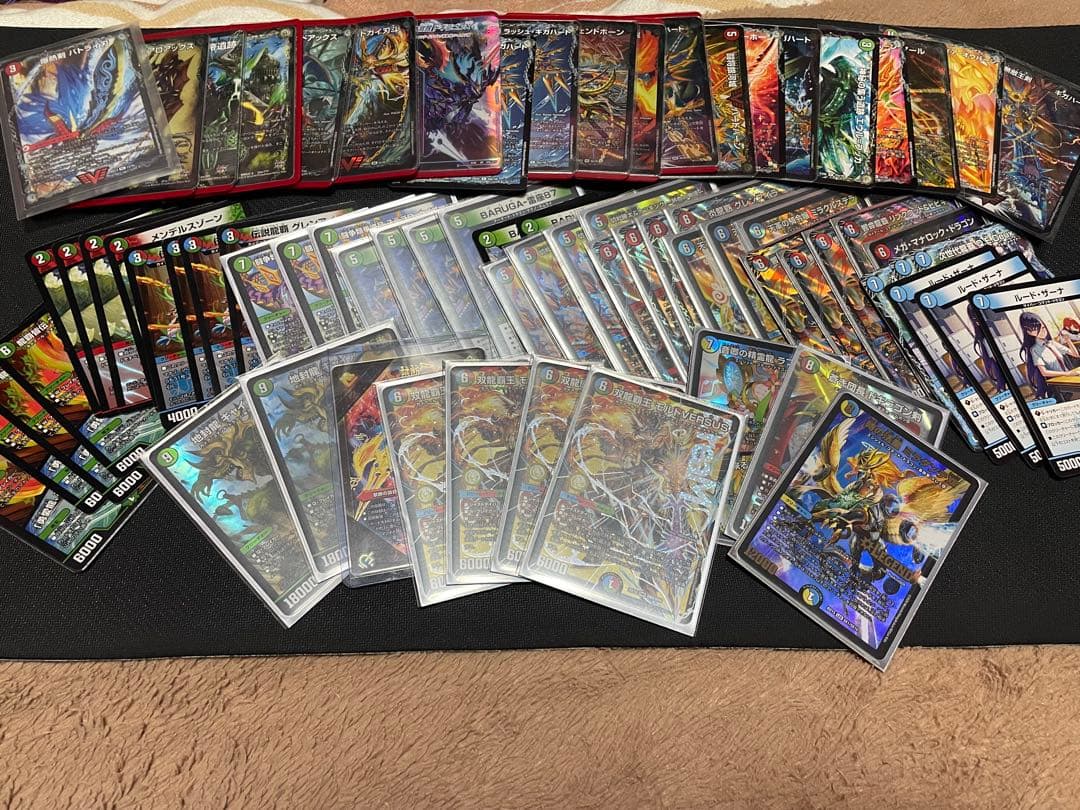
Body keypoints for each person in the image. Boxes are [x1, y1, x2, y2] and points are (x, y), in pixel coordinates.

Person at [1018, 312, 1080, 397]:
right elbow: (1044, 372)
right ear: (1029, 332)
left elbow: (1076, 355)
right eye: (1036, 329)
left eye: (1043, 327)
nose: (1042, 331)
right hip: (1058, 385)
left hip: (1069, 378)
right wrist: (1067, 373)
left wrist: (1068, 340)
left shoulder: (1052, 343)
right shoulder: (1034, 349)